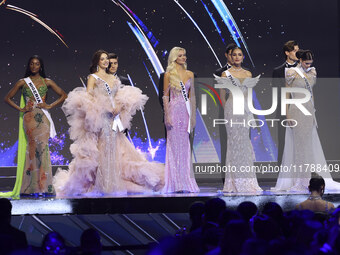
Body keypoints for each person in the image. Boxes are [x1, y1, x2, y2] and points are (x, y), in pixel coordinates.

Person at [53, 50, 164, 196]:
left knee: (114, 148)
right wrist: (104, 108)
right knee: (104, 149)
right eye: (102, 59)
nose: (106, 61)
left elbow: (117, 96)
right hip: (103, 118)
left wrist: (118, 106)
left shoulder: (113, 78)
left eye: (107, 59)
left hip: (114, 118)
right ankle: (104, 183)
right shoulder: (93, 77)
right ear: (97, 61)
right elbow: (89, 99)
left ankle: (113, 180)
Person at [273, 49, 340, 192]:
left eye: (310, 63)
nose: (308, 65)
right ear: (300, 61)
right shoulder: (291, 72)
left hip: (309, 111)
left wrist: (313, 110)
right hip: (296, 110)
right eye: (306, 63)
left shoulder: (312, 72)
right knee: (299, 146)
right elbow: (287, 94)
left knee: (307, 146)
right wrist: (287, 114)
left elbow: (311, 93)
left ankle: (309, 178)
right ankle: (301, 180)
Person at [3, 55, 67, 196]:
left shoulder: (47, 81)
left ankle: (46, 187)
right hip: (29, 119)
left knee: (43, 149)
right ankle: (29, 187)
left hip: (43, 119)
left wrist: (49, 105)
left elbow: (63, 95)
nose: (34, 66)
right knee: (31, 149)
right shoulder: (22, 82)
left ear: (40, 66)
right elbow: (7, 98)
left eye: (37, 64)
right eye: (31, 64)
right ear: (29, 66)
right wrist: (21, 109)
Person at [215, 47, 262, 193]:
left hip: (244, 110)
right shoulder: (225, 74)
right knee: (233, 143)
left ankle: (247, 180)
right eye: (234, 55)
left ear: (243, 57)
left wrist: (249, 113)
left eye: (239, 55)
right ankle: (233, 181)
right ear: (230, 56)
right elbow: (222, 96)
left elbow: (249, 96)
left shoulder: (248, 74)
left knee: (244, 144)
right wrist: (227, 110)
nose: (237, 57)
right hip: (231, 110)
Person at [162, 47, 199, 193]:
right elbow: (165, 96)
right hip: (174, 111)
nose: (184, 57)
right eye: (180, 55)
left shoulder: (190, 74)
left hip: (186, 112)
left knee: (184, 146)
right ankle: (175, 182)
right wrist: (167, 115)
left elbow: (192, 96)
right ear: (174, 58)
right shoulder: (169, 75)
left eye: (185, 55)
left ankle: (185, 181)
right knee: (174, 146)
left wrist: (193, 116)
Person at [272, 40, 299, 166]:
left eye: (298, 51)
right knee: (283, 142)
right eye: (295, 51)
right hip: (284, 110)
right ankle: (282, 177)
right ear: (287, 53)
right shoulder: (278, 71)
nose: (298, 53)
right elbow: (277, 93)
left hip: (301, 109)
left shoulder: (304, 69)